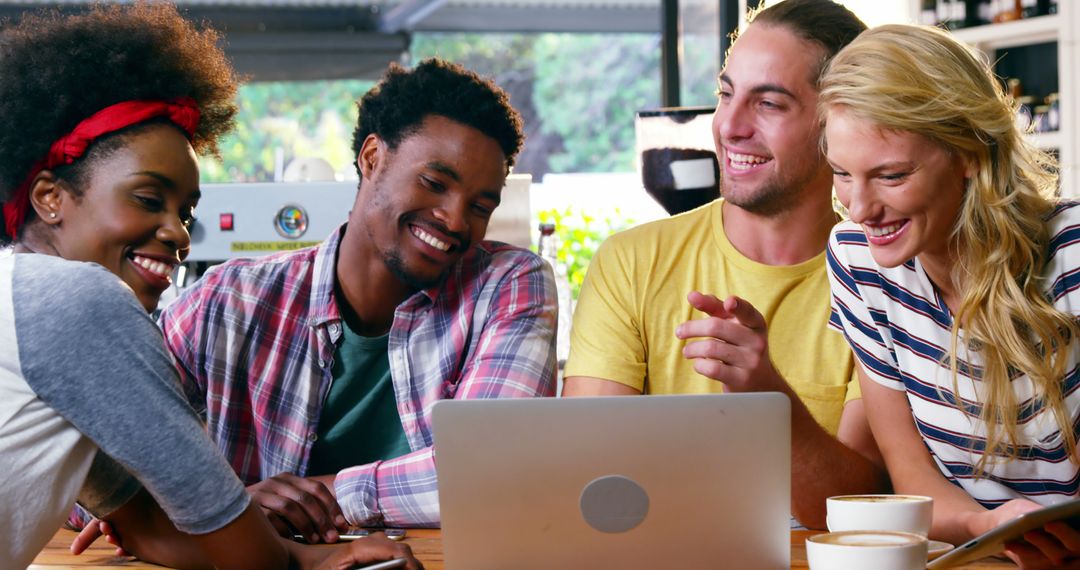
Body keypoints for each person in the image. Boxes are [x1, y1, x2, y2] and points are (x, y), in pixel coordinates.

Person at [0, 3, 419, 569]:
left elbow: (144, 526)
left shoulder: (21, 295)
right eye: (149, 199)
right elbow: (231, 536)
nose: (177, 232)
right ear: (50, 197)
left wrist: (304, 560)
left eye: (187, 211)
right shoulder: (79, 302)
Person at [158, 57, 557, 538]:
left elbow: (492, 471)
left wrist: (293, 501)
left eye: (479, 206)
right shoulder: (228, 301)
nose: (455, 220)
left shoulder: (508, 284)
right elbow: (96, 468)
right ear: (372, 158)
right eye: (434, 183)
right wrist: (221, 507)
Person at [562, 0, 887, 529]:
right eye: (726, 94)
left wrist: (766, 397)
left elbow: (856, 512)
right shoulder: (631, 262)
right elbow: (588, 476)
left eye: (770, 104)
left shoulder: (883, 279)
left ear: (839, 124)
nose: (729, 126)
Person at [821, 24, 1080, 569]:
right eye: (842, 174)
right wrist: (987, 526)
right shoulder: (859, 260)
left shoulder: (1071, 255)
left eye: (890, 176)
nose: (859, 207)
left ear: (968, 152)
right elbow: (911, 476)